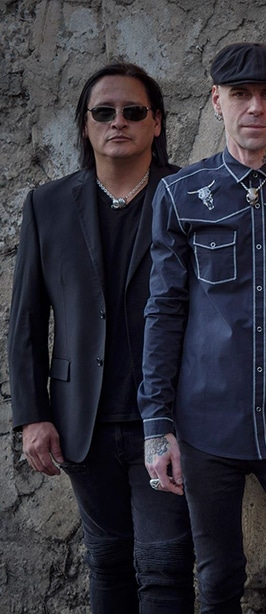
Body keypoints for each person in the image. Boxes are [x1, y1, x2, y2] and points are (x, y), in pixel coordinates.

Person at [138, 43, 266, 613]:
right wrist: (157, 425)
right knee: (218, 580)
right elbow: (163, 312)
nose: (254, 107)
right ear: (216, 101)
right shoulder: (180, 195)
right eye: (239, 95)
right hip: (207, 428)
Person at [8, 62, 194, 613]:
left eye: (134, 111)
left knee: (165, 566)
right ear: (86, 125)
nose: (119, 122)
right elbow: (26, 319)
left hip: (168, 420)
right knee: (107, 562)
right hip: (81, 421)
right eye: (104, 112)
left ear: (156, 123)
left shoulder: (189, 194)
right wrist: (32, 415)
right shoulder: (47, 205)